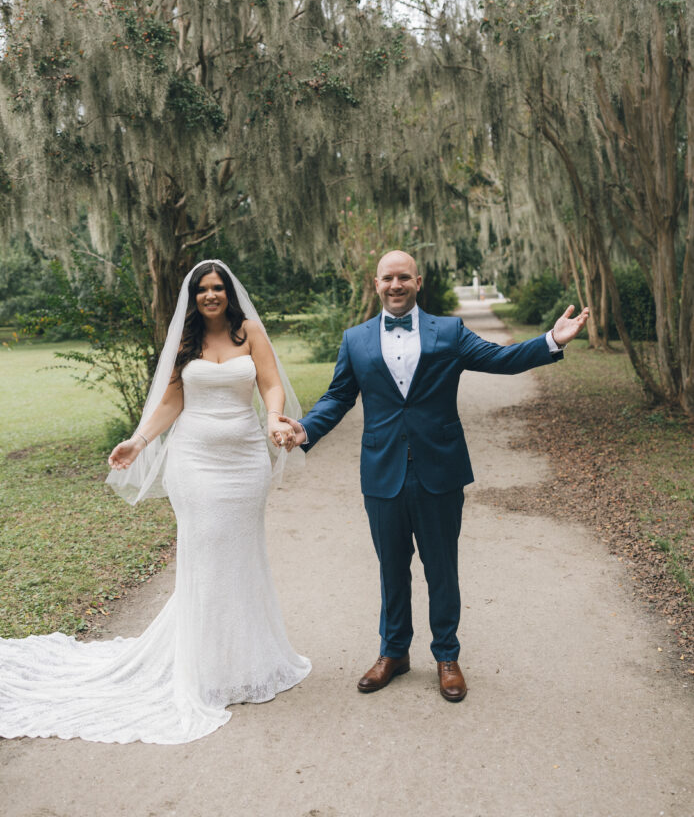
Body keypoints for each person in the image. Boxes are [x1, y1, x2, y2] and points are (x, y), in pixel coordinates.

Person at [0, 260, 310, 744]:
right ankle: (203, 666)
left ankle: (249, 659)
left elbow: (269, 382)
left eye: (218, 288)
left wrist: (274, 419)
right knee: (205, 552)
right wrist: (139, 441)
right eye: (203, 290)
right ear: (193, 297)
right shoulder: (186, 341)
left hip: (246, 461)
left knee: (241, 554)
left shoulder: (248, 331)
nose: (211, 296)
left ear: (229, 293)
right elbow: (171, 401)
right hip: (196, 462)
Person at [279, 250, 589, 703]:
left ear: (418, 281)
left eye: (404, 277)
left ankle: (447, 655)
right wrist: (305, 428)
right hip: (381, 470)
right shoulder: (356, 339)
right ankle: (393, 653)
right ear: (377, 283)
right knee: (391, 567)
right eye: (388, 278)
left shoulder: (449, 332)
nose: (396, 284)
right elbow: (338, 396)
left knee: (442, 567)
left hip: (439, 469)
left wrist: (551, 341)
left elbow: (499, 359)